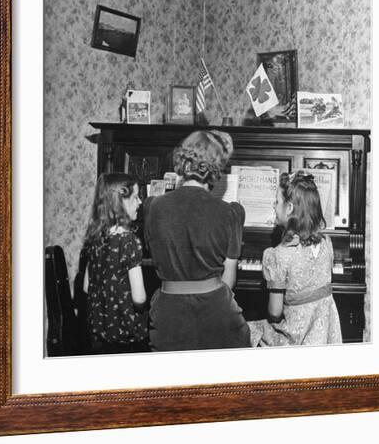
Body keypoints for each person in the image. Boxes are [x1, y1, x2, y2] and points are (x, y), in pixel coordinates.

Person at [143, 130, 250, 351]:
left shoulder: (153, 206)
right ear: (216, 166)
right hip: (217, 315)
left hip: (168, 317)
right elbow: (228, 282)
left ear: (183, 159)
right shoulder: (230, 212)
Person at [249, 171, 342, 346]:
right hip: (326, 338)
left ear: (290, 208)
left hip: (295, 339)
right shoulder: (327, 243)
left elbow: (275, 312)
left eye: (277, 202)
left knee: (249, 330)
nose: (274, 206)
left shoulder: (277, 255)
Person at [78, 173, 149, 354]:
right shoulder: (129, 241)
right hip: (126, 336)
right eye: (135, 197)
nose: (140, 202)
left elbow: (87, 287)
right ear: (120, 203)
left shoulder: (95, 238)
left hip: (98, 334)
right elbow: (139, 298)